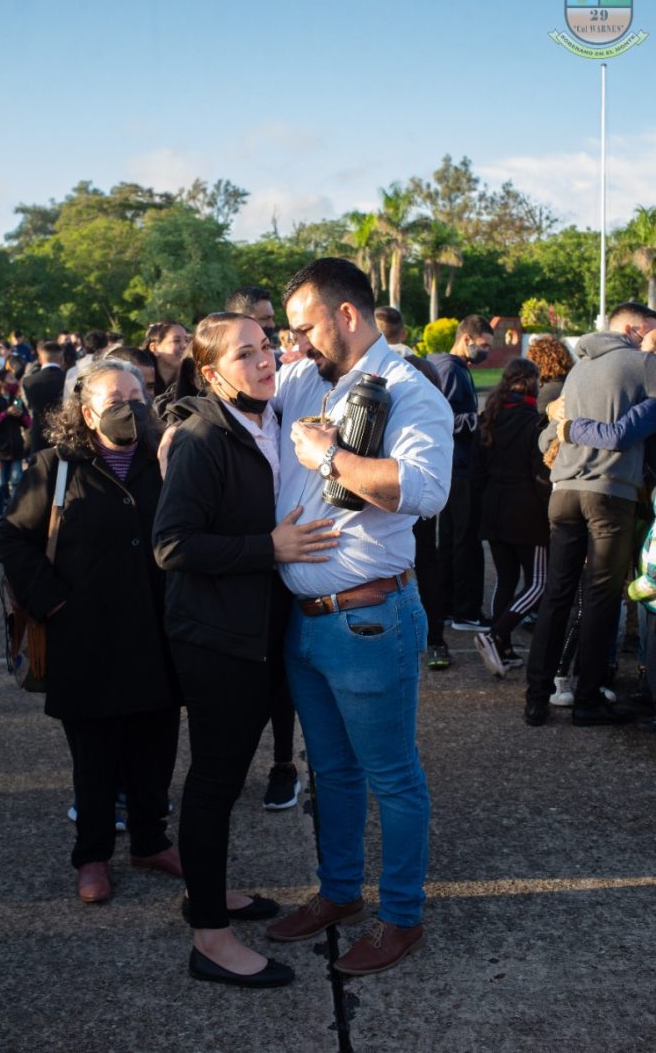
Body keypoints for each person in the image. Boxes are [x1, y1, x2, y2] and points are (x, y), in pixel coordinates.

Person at [264, 258, 453, 977]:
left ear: (347, 314)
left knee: (392, 775)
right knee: (332, 772)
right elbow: (239, 394)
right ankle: (339, 892)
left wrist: (332, 455)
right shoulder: (305, 378)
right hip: (304, 620)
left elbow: (425, 490)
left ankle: (401, 915)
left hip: (368, 620)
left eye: (305, 326)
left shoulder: (409, 390)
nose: (296, 341)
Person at [153, 312, 339, 989]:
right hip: (215, 637)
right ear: (211, 373)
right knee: (214, 782)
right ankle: (210, 938)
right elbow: (171, 545)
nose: (266, 361)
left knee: (228, 778)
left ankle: (209, 892)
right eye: (246, 354)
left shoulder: (270, 419)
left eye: (267, 347)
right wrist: (270, 548)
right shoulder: (204, 437)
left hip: (261, 629)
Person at [0, 359, 181, 903]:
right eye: (113, 397)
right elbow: (12, 538)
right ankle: (93, 856)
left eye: (137, 394)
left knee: (156, 747)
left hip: (155, 635)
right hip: (84, 637)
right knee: (94, 758)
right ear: (84, 410)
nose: (129, 405)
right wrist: (51, 602)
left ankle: (151, 839)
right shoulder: (56, 466)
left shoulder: (163, 459)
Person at [525, 302, 656, 727]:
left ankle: (536, 696)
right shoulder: (644, 363)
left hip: (563, 493)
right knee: (601, 596)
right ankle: (587, 700)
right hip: (609, 492)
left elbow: (550, 429)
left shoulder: (580, 368)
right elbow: (626, 433)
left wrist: (561, 427)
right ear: (634, 329)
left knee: (558, 593)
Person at [224, 286, 298, 806]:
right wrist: (263, 547)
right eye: (258, 328)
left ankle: (283, 763)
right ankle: (229, 770)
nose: (269, 338)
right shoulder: (202, 421)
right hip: (240, 568)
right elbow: (176, 541)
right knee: (239, 679)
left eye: (270, 330)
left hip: (286, 564)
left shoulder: (284, 393)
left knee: (282, 671)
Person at [471, 359, 550, 677]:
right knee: (539, 582)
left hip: (494, 508)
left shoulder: (489, 416)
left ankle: (502, 647)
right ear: (532, 382)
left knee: (506, 579)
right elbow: (540, 474)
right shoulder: (534, 421)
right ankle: (495, 635)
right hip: (527, 511)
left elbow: (476, 474)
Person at [428, 315, 494, 631]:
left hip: (455, 468)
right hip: (457, 467)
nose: (487, 352)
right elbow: (445, 420)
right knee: (463, 541)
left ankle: (451, 606)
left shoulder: (455, 367)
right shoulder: (450, 369)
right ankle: (465, 610)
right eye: (484, 345)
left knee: (453, 540)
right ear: (466, 338)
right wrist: (478, 422)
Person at [0, 372, 31, 520]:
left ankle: (16, 514)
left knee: (17, 481)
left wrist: (21, 415)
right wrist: (5, 414)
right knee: (1, 484)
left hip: (16, 448)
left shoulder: (16, 400)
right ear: (1, 382)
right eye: (10, 378)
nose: (14, 381)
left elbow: (28, 423)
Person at [21, 341, 66, 455]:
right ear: (62, 359)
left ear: (40, 359)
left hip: (38, 432)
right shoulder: (68, 379)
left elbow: (28, 406)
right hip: (63, 431)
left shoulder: (28, 381)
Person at [143, 321, 191, 397]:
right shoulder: (141, 383)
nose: (184, 345)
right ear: (154, 348)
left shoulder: (192, 382)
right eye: (176, 341)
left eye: (186, 340)